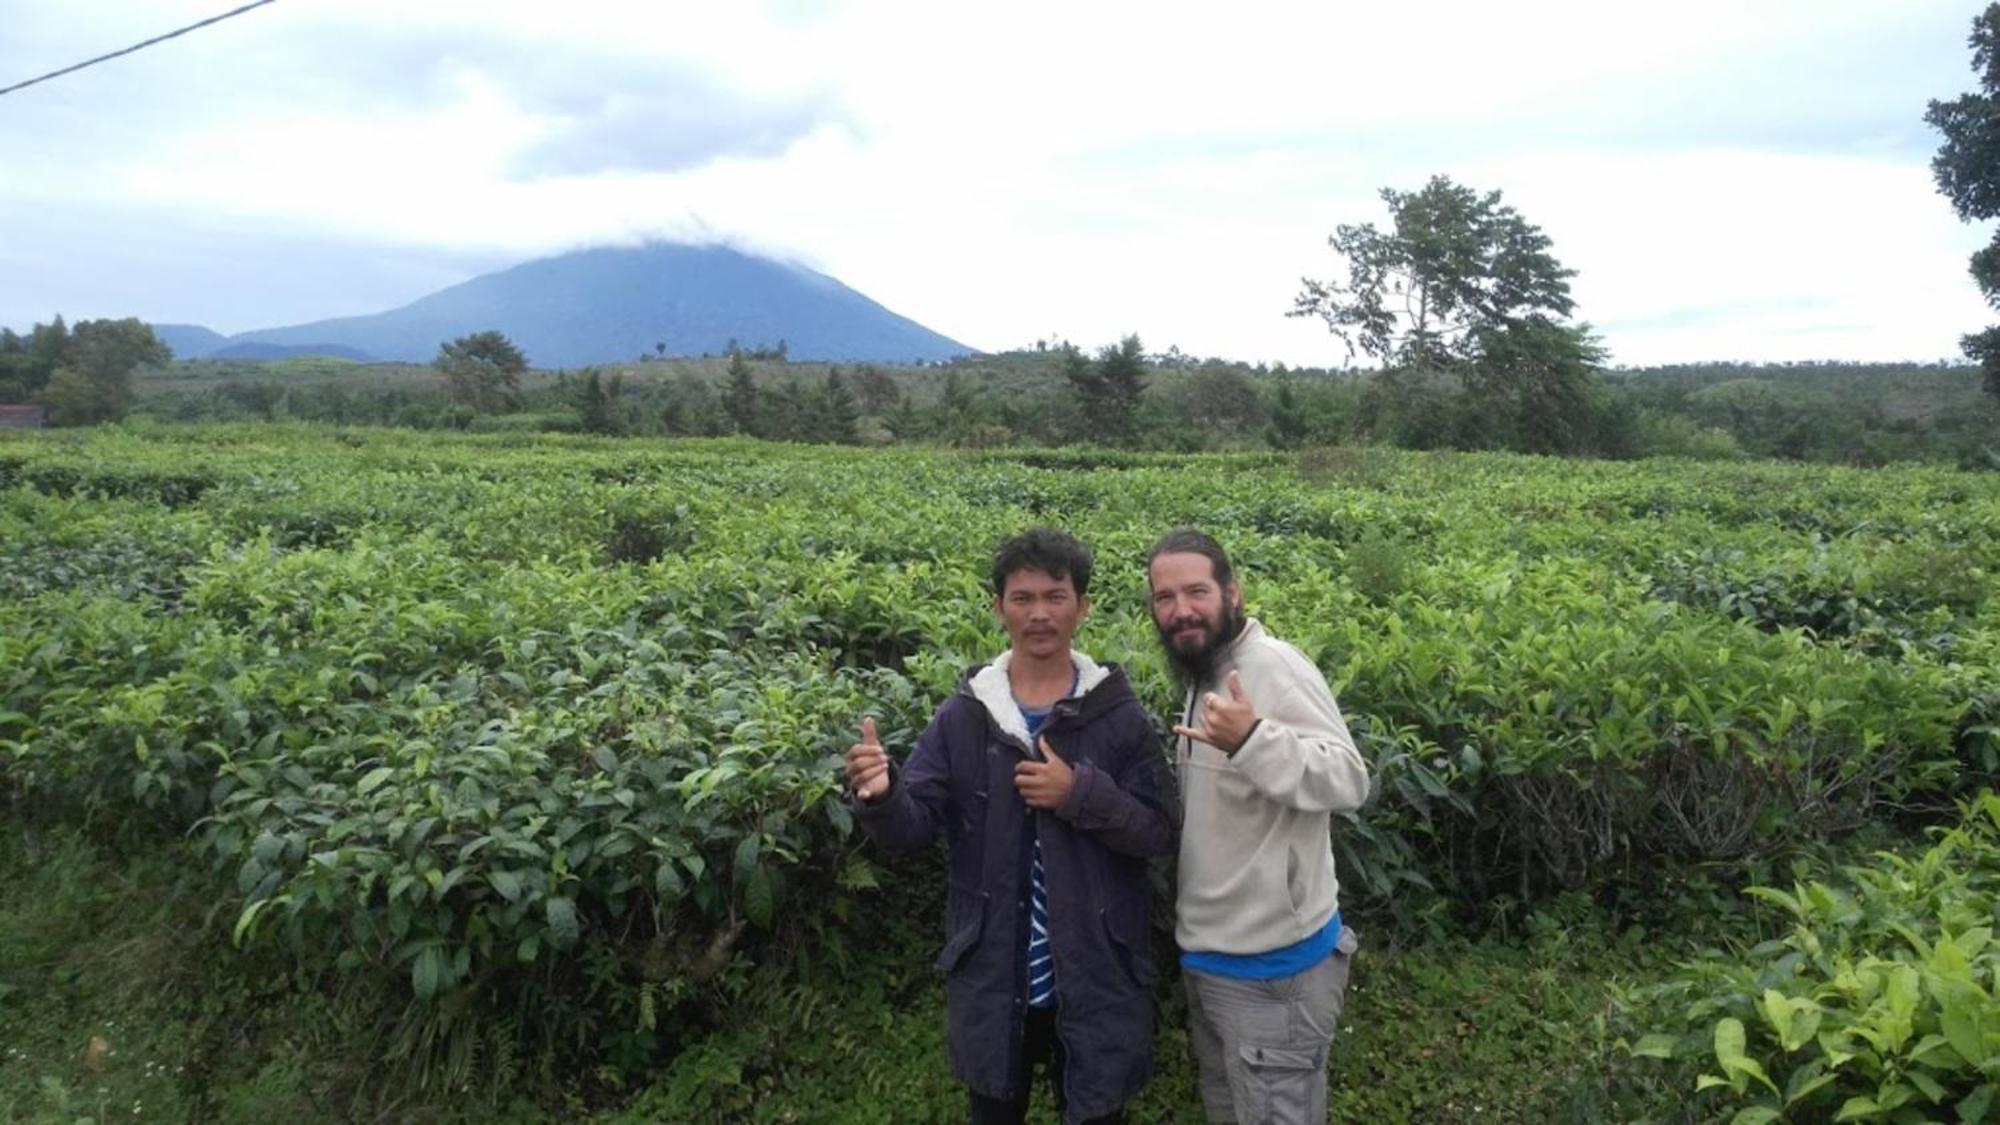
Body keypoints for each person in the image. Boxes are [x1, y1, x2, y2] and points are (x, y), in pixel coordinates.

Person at [845, 527, 1176, 1125]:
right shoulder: (966, 716)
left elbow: (1159, 832)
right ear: (998, 607)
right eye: (1022, 599)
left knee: (1100, 1112)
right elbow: (912, 828)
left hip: (1099, 970)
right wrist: (884, 795)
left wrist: (1078, 793)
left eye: (1055, 596)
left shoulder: (1118, 716)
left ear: (1083, 607)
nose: (1039, 614)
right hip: (996, 974)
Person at [1146, 528, 1371, 1125]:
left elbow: (1348, 779)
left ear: (1233, 593)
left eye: (1196, 591)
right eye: (1164, 598)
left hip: (1277, 970)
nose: (1181, 610)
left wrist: (1252, 739)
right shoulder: (1202, 671)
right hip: (1211, 958)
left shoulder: (1270, 666)